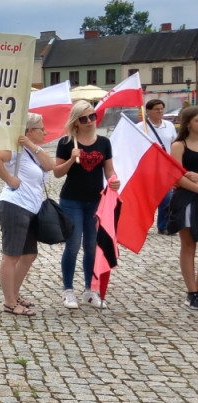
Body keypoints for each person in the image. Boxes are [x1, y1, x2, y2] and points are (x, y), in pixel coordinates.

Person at [0, 113, 56, 316]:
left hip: (30, 209)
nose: (45, 132)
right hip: (14, 206)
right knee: (12, 256)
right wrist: (9, 179)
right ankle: (9, 302)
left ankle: (14, 294)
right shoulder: (15, 151)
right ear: (29, 131)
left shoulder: (32, 151)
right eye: (41, 129)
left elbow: (50, 166)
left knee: (29, 255)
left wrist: (32, 146)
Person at [54, 100, 119, 309]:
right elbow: (57, 173)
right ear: (76, 122)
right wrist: (71, 160)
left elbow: (109, 170)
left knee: (91, 245)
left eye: (92, 116)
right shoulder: (66, 143)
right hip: (71, 200)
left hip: (95, 201)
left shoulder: (104, 142)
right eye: (84, 118)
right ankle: (68, 289)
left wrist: (114, 180)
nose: (90, 121)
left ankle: (90, 290)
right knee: (73, 245)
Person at [168, 106, 198, 309]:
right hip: (186, 200)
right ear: (188, 123)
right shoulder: (179, 145)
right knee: (188, 246)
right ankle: (192, 292)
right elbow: (176, 176)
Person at [144, 98, 177, 234]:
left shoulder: (169, 125)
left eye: (161, 109)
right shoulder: (142, 127)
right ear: (148, 111)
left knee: (167, 197)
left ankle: (164, 226)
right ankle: (143, 224)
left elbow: (175, 143)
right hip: (147, 168)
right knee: (147, 199)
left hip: (165, 168)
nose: (160, 111)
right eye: (156, 109)